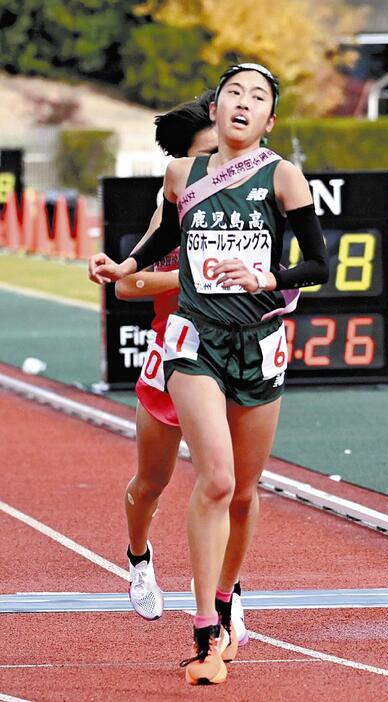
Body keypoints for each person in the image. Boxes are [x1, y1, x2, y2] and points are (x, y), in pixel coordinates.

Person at [92, 63, 329, 686]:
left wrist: (267, 278)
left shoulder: (283, 176)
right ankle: (199, 630)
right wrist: (121, 268)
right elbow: (160, 239)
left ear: (270, 120)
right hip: (191, 342)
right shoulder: (181, 176)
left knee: (243, 492)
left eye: (257, 98)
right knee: (207, 480)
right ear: (216, 108)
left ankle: (225, 599)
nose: (243, 104)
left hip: (260, 343)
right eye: (233, 94)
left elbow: (320, 266)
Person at [88, 91, 248, 643]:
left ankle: (228, 597)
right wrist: (195, 277)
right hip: (172, 353)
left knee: (228, 484)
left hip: (233, 354)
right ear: (182, 161)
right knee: (152, 481)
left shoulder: (258, 192)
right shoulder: (174, 202)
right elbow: (129, 285)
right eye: (210, 151)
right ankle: (139, 557)